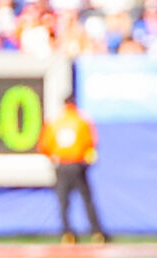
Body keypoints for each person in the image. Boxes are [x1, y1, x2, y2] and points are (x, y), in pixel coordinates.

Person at [40, 91, 109, 244]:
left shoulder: (55, 122)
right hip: (77, 165)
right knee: (87, 200)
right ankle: (97, 233)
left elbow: (45, 146)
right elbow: (91, 143)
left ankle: (67, 234)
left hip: (62, 164)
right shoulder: (81, 121)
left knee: (63, 202)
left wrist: (55, 157)